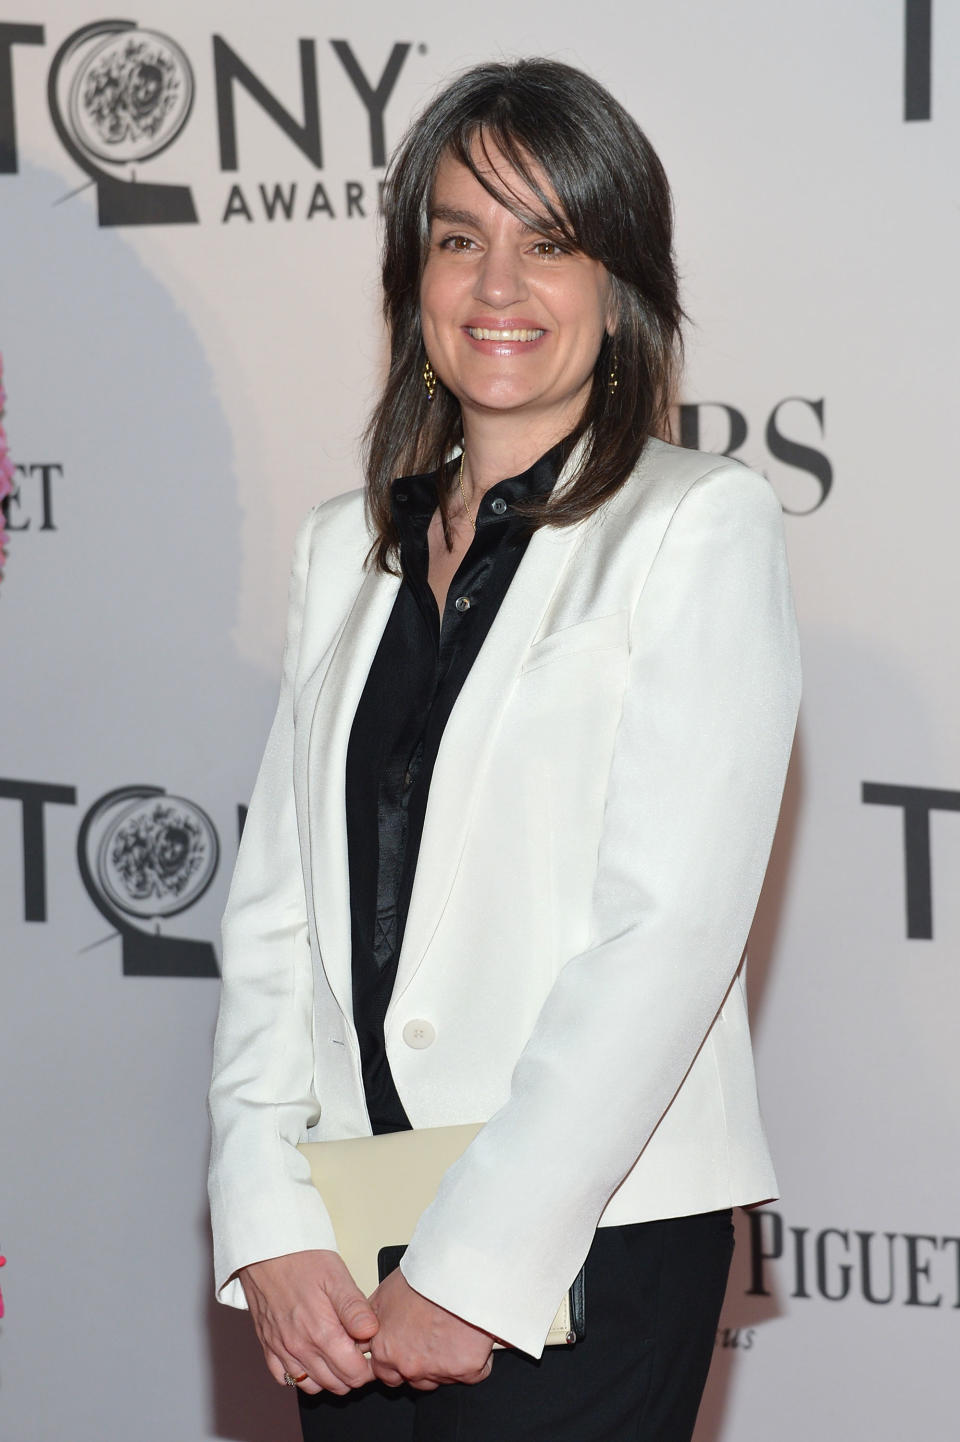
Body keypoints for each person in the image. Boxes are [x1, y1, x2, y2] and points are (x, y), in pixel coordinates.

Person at [207, 56, 801, 1442]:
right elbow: (276, 921)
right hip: (348, 1248)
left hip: (589, 1232)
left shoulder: (695, 528)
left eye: (552, 242)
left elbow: (665, 935)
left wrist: (475, 1266)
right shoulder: (340, 554)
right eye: (459, 239)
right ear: (412, 280)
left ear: (622, 286)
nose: (497, 289)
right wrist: (269, 1220)